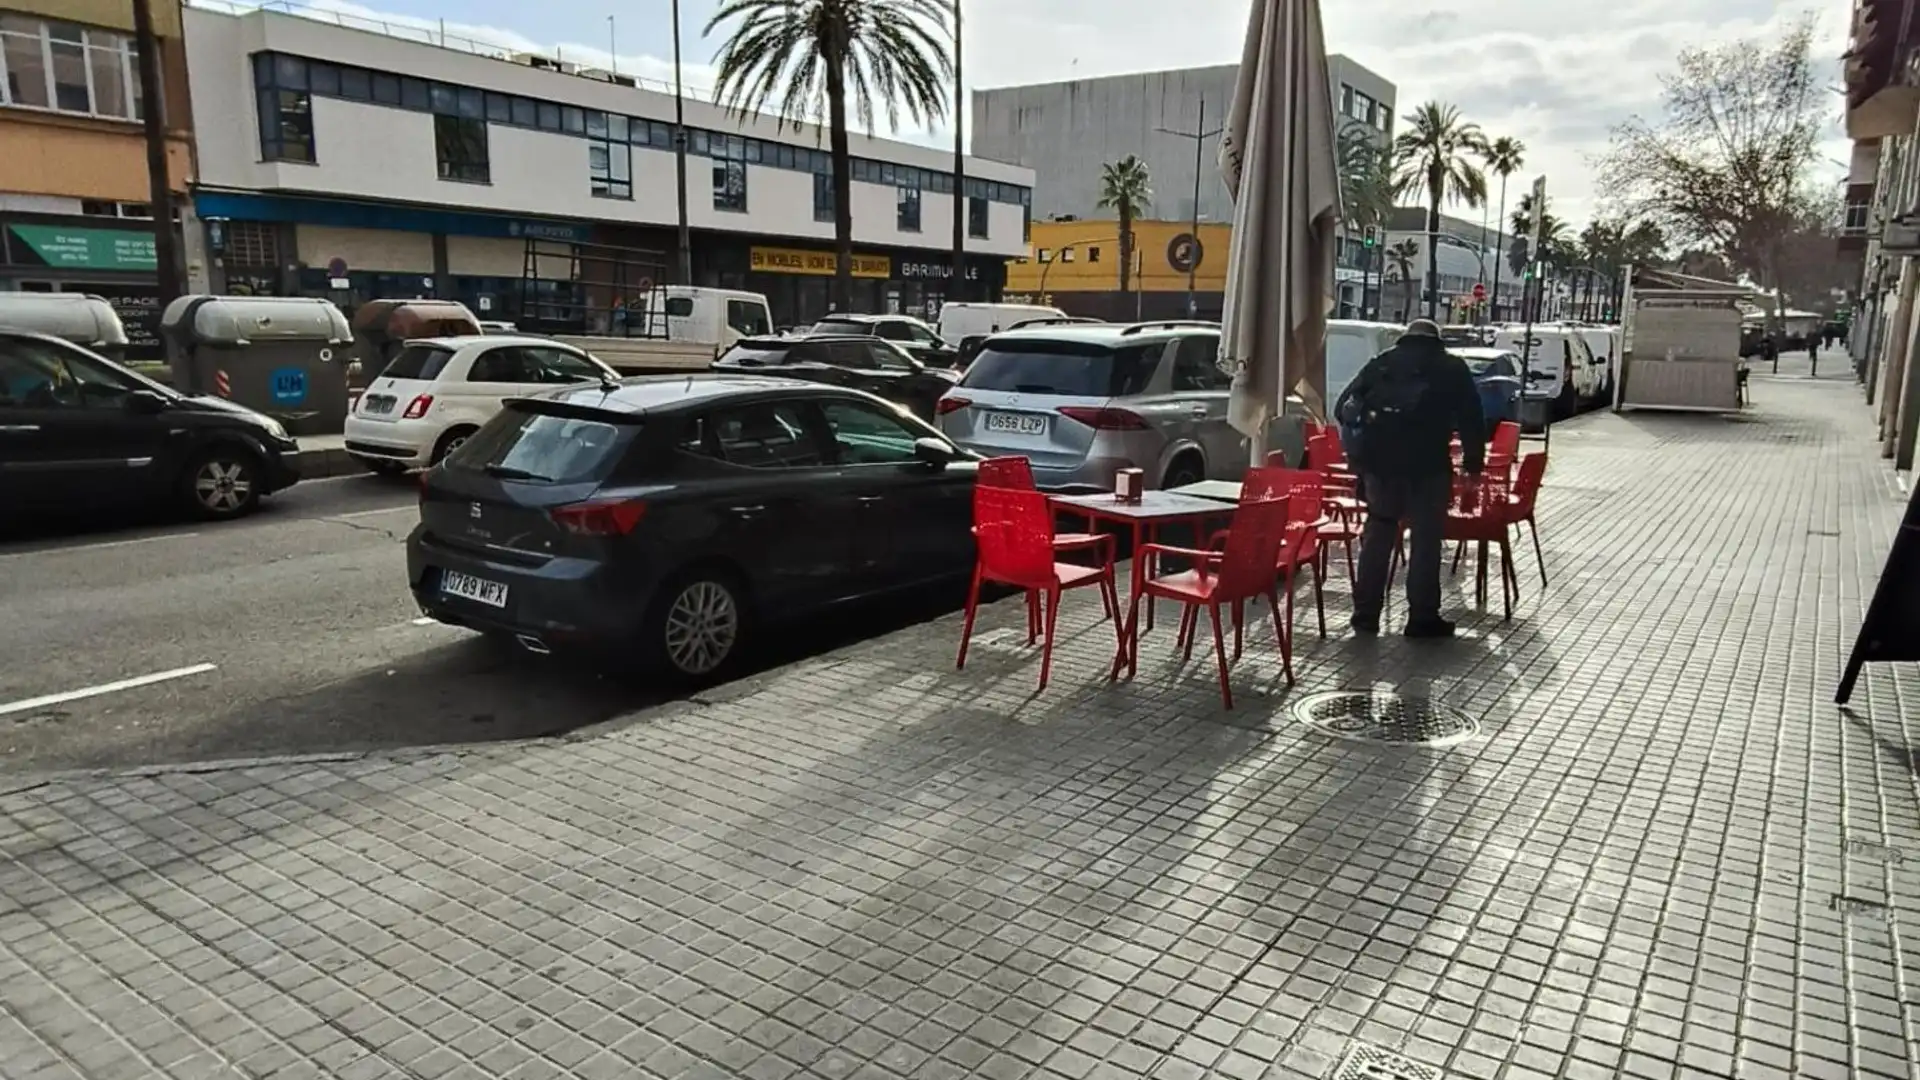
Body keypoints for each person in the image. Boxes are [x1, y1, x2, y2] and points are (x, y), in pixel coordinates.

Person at [1336, 318, 1487, 638]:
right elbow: (1472, 419)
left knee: (1378, 536)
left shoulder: (1381, 364)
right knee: (1425, 540)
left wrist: (1364, 448)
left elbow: (1342, 408)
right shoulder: (1451, 368)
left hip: (1380, 468)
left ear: (1407, 336)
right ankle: (1422, 617)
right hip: (1428, 468)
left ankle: (1365, 614)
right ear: (1436, 339)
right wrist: (1473, 466)